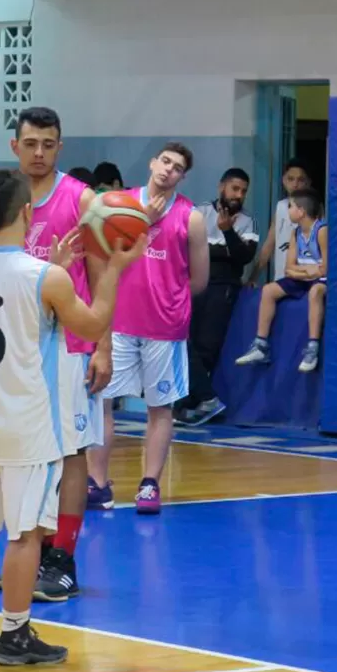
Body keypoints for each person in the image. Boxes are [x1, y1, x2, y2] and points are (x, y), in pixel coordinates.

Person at [0, 168, 144, 666]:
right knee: (26, 534)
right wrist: (115, 270)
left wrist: (52, 268)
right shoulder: (46, 278)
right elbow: (93, 324)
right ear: (27, 212)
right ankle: (15, 634)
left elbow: (18, 302)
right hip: (28, 427)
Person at [4, 106, 110, 602]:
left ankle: (63, 558)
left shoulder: (81, 199)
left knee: (71, 452)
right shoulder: (4, 198)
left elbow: (105, 276)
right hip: (22, 347)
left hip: (70, 346)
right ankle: (34, 551)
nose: (39, 153)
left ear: (60, 147)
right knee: (30, 452)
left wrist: (103, 346)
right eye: (30, 144)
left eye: (48, 144)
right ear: (15, 146)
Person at [89, 142, 209, 514]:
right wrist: (142, 218)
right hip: (119, 321)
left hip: (164, 326)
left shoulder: (191, 217)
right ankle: (97, 484)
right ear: (153, 163)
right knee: (102, 402)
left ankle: (149, 483)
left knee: (160, 407)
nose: (168, 170)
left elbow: (199, 279)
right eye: (165, 161)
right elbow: (99, 257)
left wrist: (168, 298)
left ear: (182, 177)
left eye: (177, 167)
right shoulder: (117, 204)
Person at [180, 167, 258, 425]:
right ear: (221, 187)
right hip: (192, 285)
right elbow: (186, 248)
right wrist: (223, 252)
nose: (239, 195)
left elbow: (244, 257)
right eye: (235, 188)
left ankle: (195, 404)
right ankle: (197, 400)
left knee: (207, 347)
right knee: (182, 341)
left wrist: (226, 233)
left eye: (244, 191)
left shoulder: (247, 221)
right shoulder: (199, 212)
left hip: (223, 288)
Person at [234, 188, 327, 372]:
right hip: (304, 278)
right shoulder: (295, 233)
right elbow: (288, 268)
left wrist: (303, 272)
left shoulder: (322, 230)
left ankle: (312, 348)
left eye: (291, 206)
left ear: (301, 211)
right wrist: (306, 272)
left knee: (315, 292)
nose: (288, 210)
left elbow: (325, 268)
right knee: (268, 290)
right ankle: (261, 345)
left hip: (321, 280)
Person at [246, 160, 312, 286]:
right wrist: (252, 278)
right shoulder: (281, 206)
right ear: (283, 180)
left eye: (300, 180)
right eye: (291, 179)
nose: (295, 184)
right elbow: (269, 245)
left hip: (305, 282)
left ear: (308, 183)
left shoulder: (314, 209)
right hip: (281, 279)